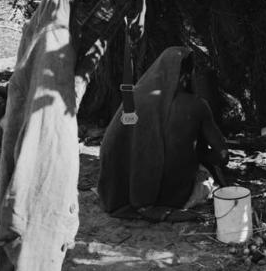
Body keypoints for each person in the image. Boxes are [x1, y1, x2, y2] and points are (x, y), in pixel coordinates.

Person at [98, 46, 229, 222]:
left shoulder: (135, 99)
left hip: (130, 192)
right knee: (207, 179)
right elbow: (222, 156)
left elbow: (110, 145)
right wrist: (199, 154)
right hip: (176, 198)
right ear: (187, 75)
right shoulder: (197, 105)